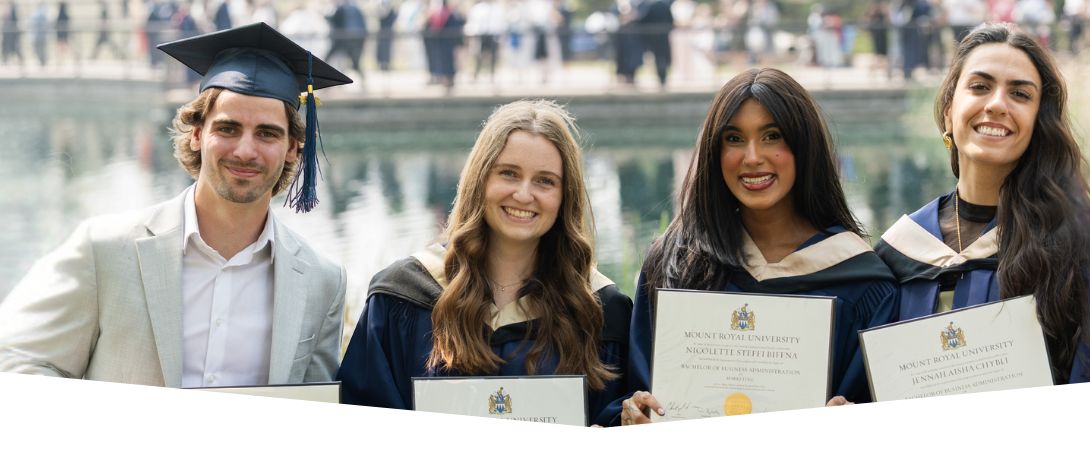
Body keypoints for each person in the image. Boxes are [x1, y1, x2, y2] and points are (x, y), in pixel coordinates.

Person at [0, 23, 353, 388]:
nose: (246, 150)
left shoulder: (320, 281)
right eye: (228, 129)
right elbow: (14, 361)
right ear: (198, 134)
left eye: (267, 133)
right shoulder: (104, 250)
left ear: (293, 148)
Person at [873, 23, 1090, 384]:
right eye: (979, 87)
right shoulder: (899, 252)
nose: (997, 104)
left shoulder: (1076, 247)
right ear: (948, 110)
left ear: (1038, 123)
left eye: (1020, 94)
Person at [621, 68, 899, 424]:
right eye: (734, 139)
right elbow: (634, 389)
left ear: (804, 147)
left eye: (772, 136)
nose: (752, 157)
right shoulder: (675, 261)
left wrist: (855, 421)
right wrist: (631, 413)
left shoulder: (863, 281)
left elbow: (884, 412)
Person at [338, 100, 633, 427]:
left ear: (565, 196)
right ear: (480, 179)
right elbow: (361, 423)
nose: (524, 194)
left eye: (545, 181)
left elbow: (613, 418)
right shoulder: (402, 297)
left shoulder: (598, 309)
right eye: (509, 173)